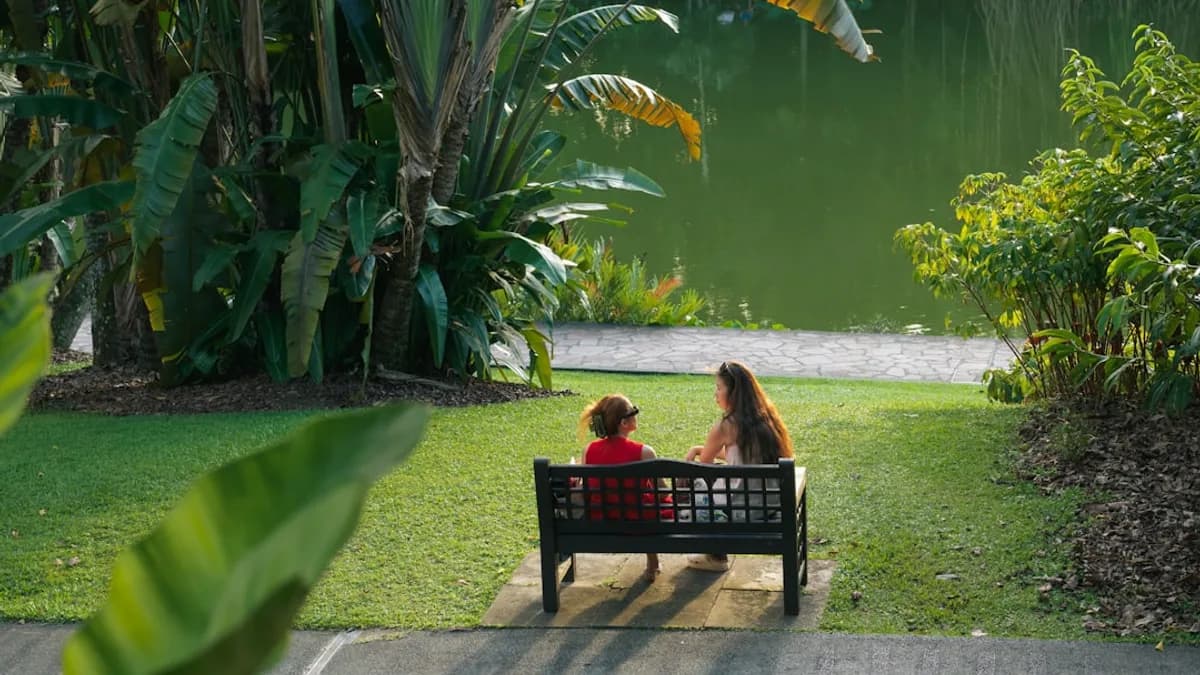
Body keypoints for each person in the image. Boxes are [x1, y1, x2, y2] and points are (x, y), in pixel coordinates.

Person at [684, 360, 793, 571]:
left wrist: (697, 452)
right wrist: (698, 448)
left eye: (718, 387)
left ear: (732, 392)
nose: (715, 394)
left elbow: (703, 465)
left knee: (698, 485)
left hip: (740, 510)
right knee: (723, 481)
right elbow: (745, 456)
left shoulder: (725, 426)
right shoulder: (767, 420)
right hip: (768, 504)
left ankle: (715, 556)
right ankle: (715, 553)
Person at [578, 394, 671, 582]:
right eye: (633, 412)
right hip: (639, 521)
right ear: (624, 423)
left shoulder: (589, 450)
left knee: (640, 505)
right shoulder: (644, 452)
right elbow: (663, 492)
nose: (636, 415)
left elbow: (587, 489)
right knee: (649, 506)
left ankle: (653, 564)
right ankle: (652, 563)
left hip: (603, 519)